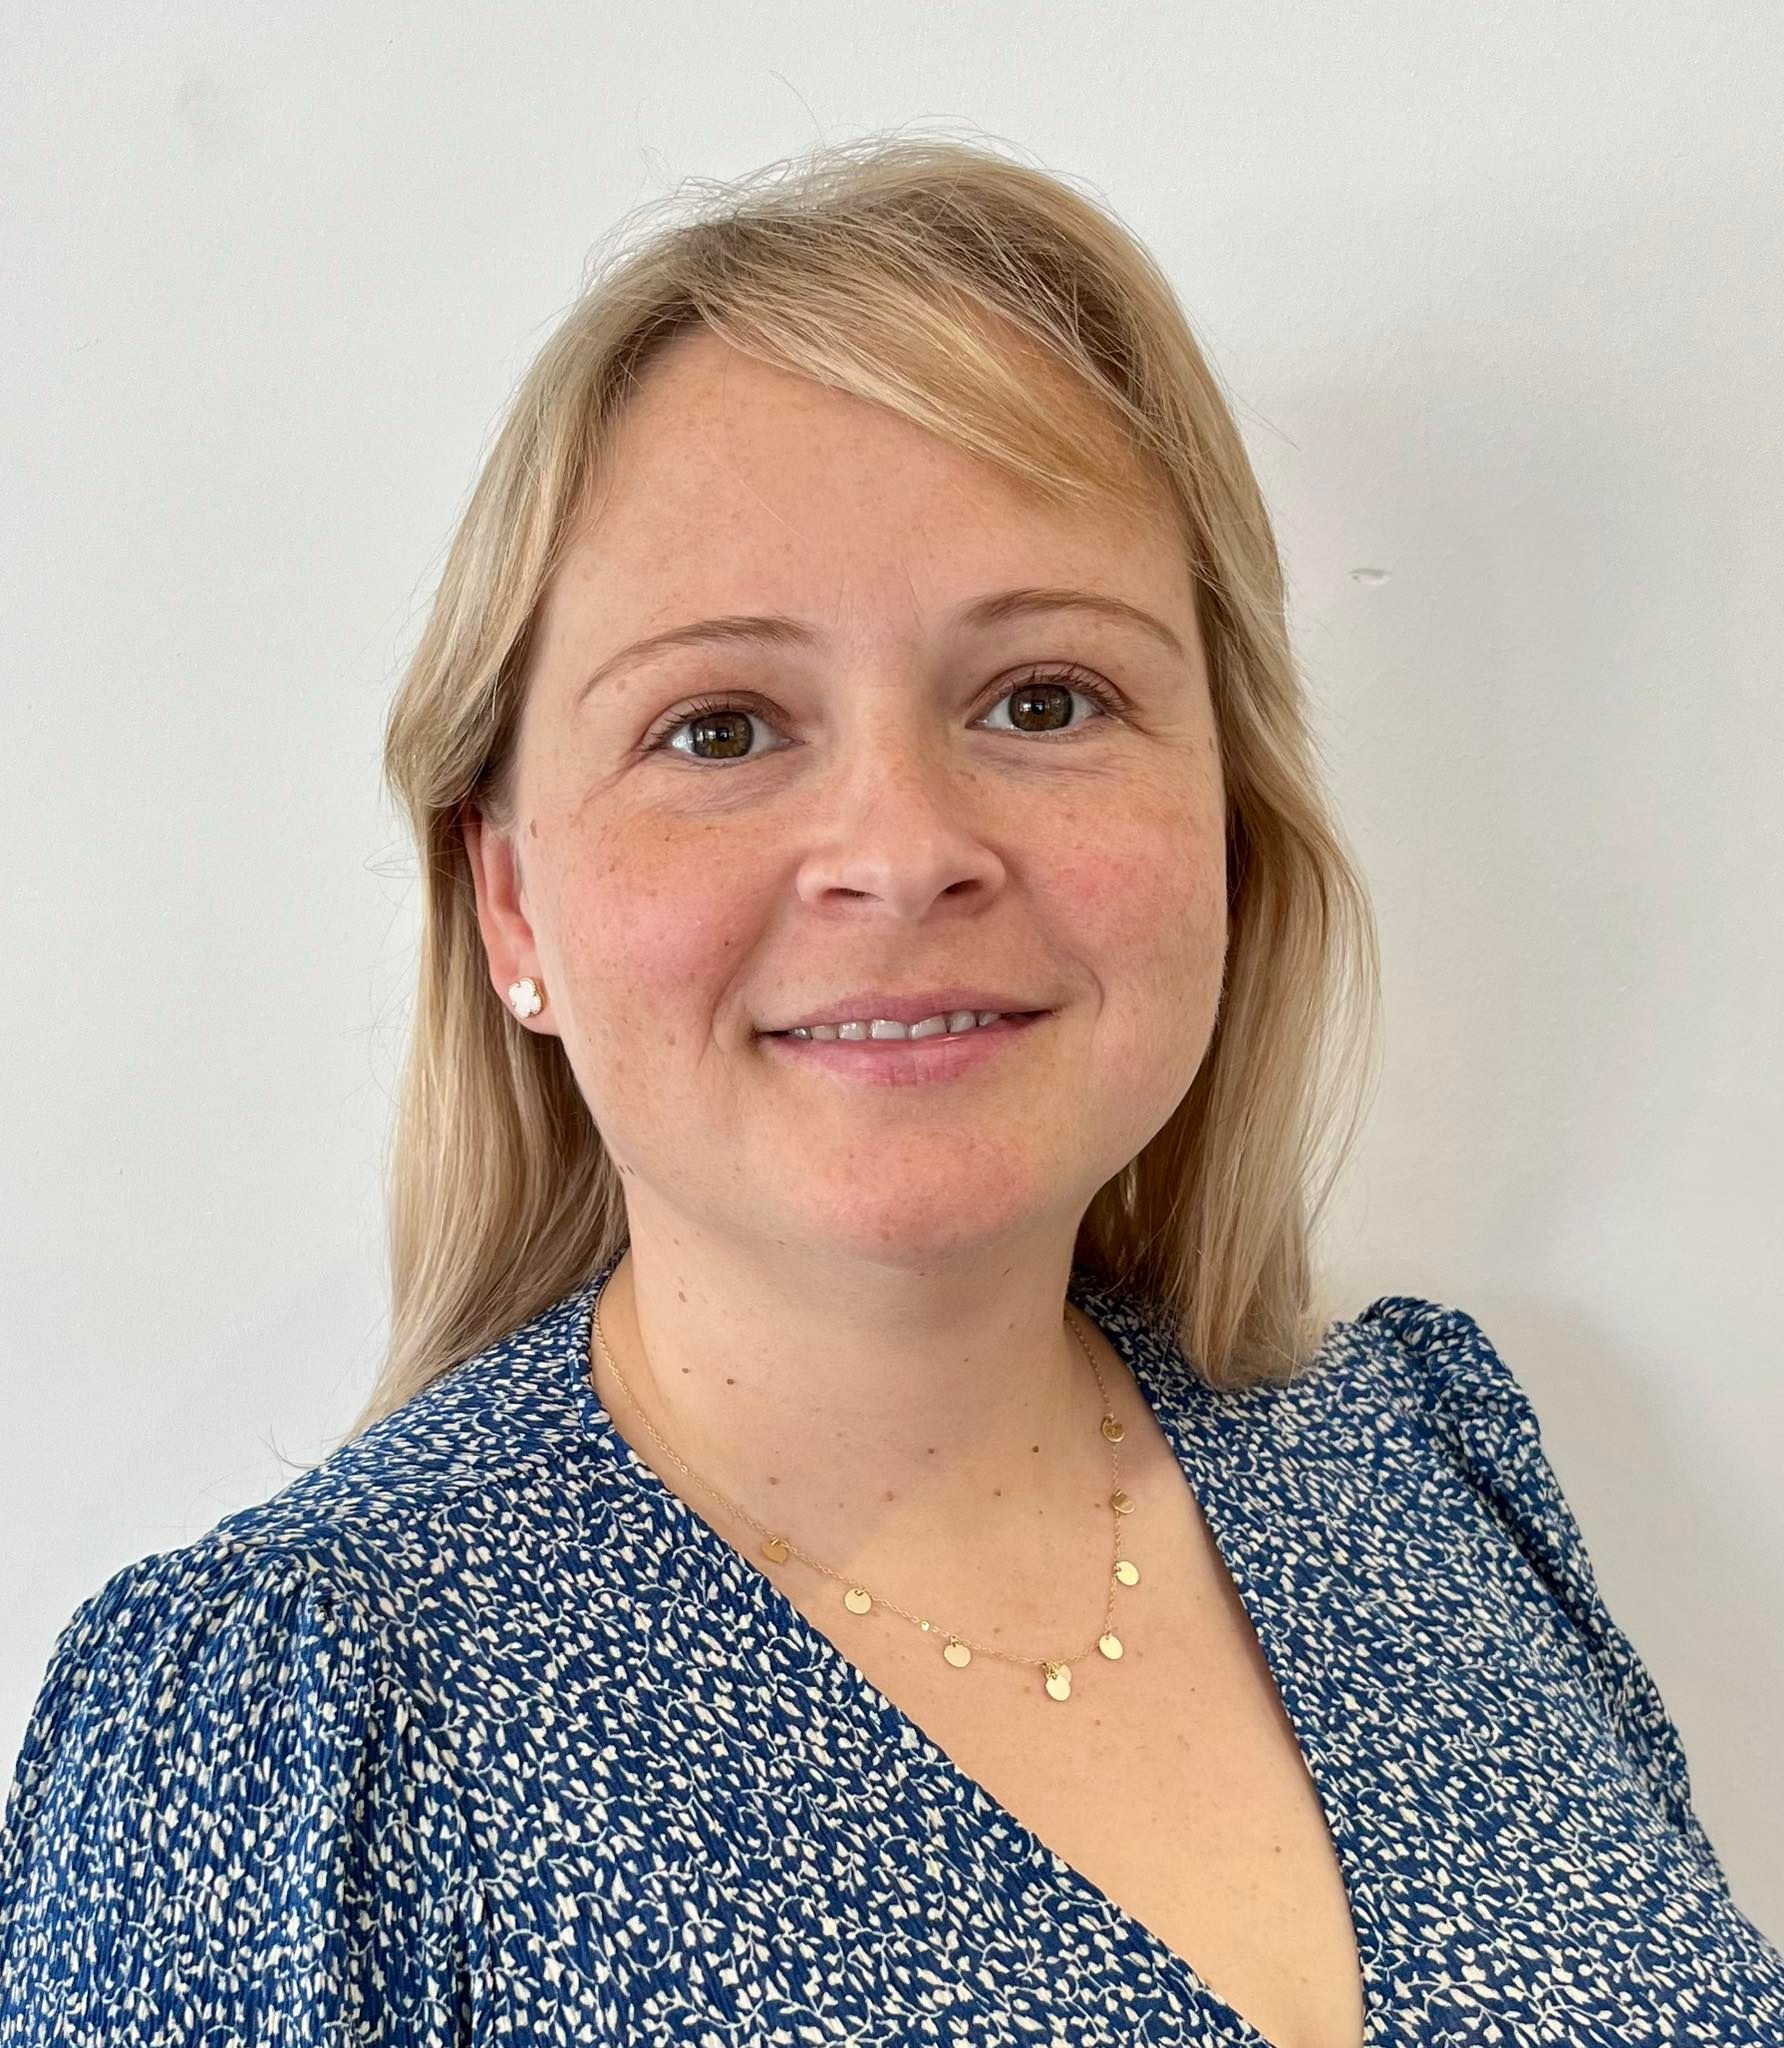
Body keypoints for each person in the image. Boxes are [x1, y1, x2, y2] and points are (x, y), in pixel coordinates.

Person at [2, 132, 1779, 2048]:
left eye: (1045, 699)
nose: (906, 850)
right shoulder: (292, 1721)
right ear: (511, 902)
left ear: (1230, 815)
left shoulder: (1423, 1465)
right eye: (720, 728)